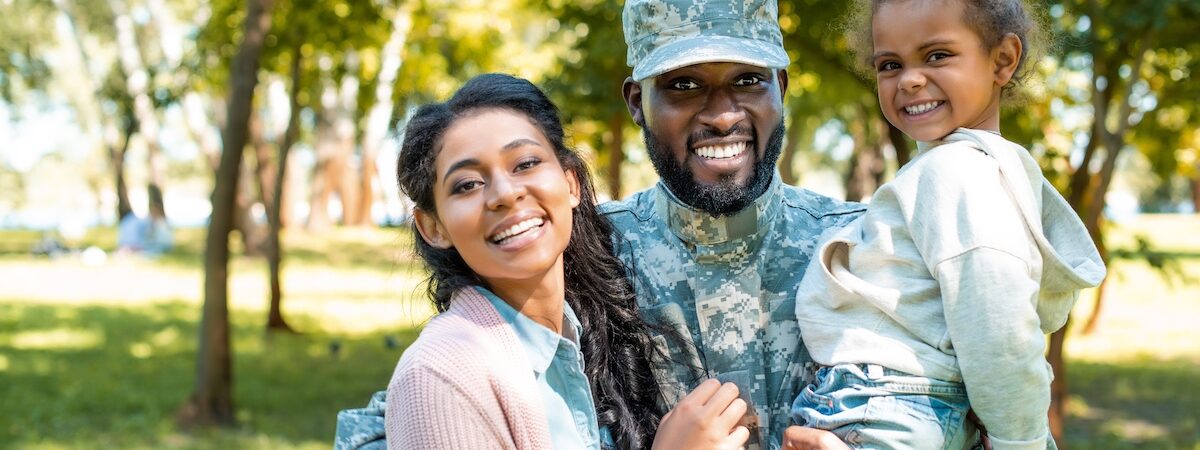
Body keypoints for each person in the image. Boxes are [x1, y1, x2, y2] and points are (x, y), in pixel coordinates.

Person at [347, 73, 752, 450]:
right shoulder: (440, 378)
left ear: (571, 183)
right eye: (467, 184)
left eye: (526, 164)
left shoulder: (585, 338)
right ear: (433, 227)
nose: (505, 194)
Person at [788, 0, 1106, 448]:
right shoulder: (985, 170)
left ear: (1003, 59)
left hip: (890, 405)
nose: (909, 79)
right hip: (916, 409)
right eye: (890, 64)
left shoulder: (955, 172)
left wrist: (1023, 442)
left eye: (937, 55)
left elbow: (999, 331)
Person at [607, 1, 865, 449]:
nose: (724, 116)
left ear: (780, 87)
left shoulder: (859, 246)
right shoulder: (591, 257)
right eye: (683, 85)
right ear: (636, 102)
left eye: (747, 80)